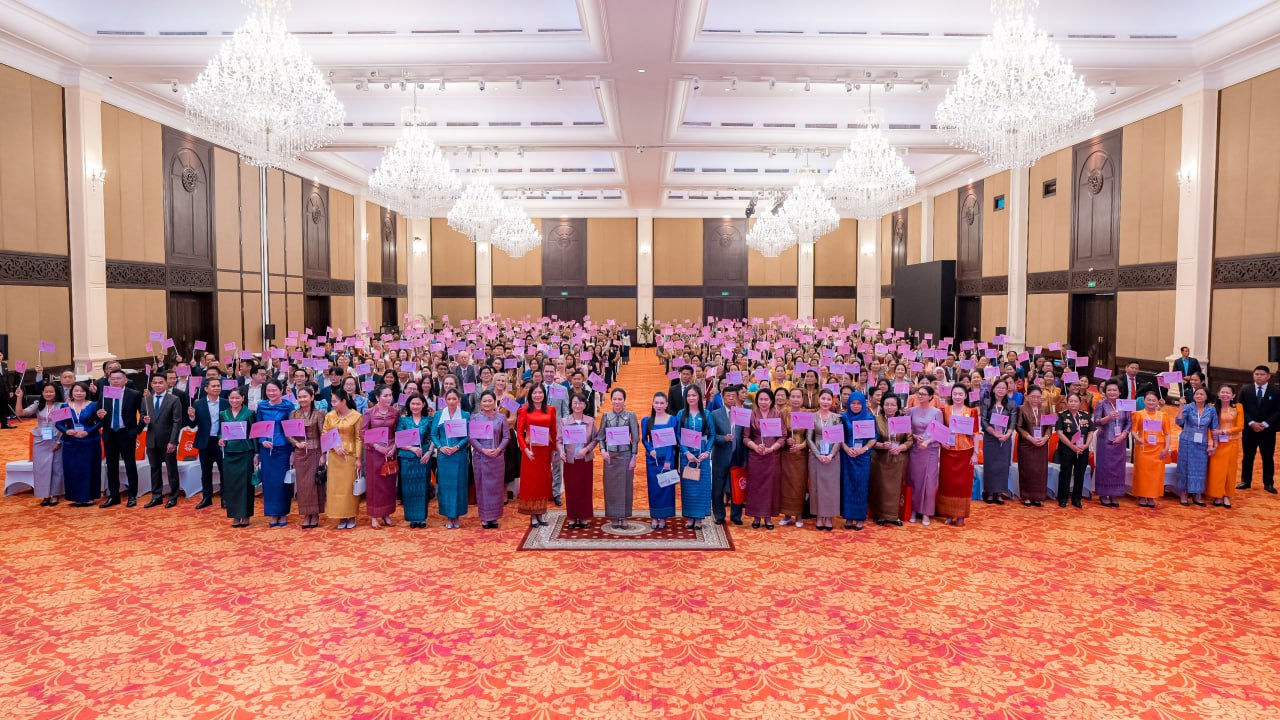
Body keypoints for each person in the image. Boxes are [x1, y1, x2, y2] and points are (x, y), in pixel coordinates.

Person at [98, 368, 143, 508]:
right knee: (111, 466)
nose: (115, 381)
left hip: (126, 433)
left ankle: (132, 495)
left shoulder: (134, 394)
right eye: (112, 379)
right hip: (110, 433)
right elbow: (98, 413)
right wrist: (99, 415)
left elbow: (143, 412)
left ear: (125, 380)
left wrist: (137, 430)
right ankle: (114, 496)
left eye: (118, 378)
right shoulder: (104, 394)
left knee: (130, 465)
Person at [14, 383, 64, 505]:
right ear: (42, 393)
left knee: (56, 468)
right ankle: (44, 494)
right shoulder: (38, 404)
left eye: (51, 391)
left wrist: (59, 441)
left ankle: (55, 494)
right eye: (46, 391)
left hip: (56, 439)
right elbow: (20, 413)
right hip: (40, 440)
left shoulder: (62, 405)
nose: (48, 394)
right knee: (41, 469)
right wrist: (19, 397)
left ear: (56, 393)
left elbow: (65, 425)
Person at [254, 380, 296, 526]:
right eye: (268, 390)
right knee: (269, 483)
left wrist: (293, 451)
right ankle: (272, 513)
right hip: (266, 449)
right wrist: (262, 441)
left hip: (283, 448)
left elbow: (291, 429)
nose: (271, 393)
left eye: (274, 390)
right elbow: (258, 427)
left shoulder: (288, 406)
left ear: (281, 390)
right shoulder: (262, 406)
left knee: (282, 482)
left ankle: (283, 513)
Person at [598, 388, 640, 530]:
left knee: (626, 486)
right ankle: (614, 516)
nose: (617, 402)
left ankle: (624, 516)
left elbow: (635, 439)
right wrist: (603, 450)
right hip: (610, 457)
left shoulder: (630, 416)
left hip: (625, 456)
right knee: (611, 487)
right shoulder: (606, 416)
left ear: (624, 400)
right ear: (611, 400)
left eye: (620, 399)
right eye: (614, 399)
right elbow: (600, 437)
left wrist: (634, 457)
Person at [470, 390, 511, 530]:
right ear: (481, 403)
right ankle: (485, 518)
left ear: (495, 403)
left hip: (497, 457)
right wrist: (483, 450)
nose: (487, 403)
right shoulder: (475, 418)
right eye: (484, 401)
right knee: (482, 487)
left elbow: (506, 437)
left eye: (490, 401)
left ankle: (494, 517)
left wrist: (499, 449)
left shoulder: (501, 418)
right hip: (481, 457)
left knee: (496, 488)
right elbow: (472, 438)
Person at [516, 384, 556, 528]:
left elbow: (554, 432)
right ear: (530, 395)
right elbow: (519, 434)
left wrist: (555, 451)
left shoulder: (551, 410)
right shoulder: (524, 411)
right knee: (531, 483)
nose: (537, 395)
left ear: (544, 395)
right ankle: (533, 515)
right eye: (535, 393)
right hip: (530, 453)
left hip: (545, 452)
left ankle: (540, 512)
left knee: (542, 482)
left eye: (540, 392)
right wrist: (525, 450)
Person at [322, 390, 363, 530]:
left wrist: (358, 458)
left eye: (335, 401)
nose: (332, 404)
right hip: (334, 456)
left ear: (343, 401)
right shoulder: (329, 416)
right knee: (335, 488)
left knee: (349, 488)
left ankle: (351, 515)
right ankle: (340, 516)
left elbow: (358, 438)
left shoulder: (356, 416)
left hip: (349, 456)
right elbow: (325, 434)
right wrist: (334, 446)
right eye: (332, 401)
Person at [142, 372, 184, 508]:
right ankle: (156, 496)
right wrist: (144, 421)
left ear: (166, 383)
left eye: (160, 382)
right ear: (151, 384)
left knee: (171, 470)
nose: (157, 385)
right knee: (154, 469)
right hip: (151, 440)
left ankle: (173, 496)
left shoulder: (174, 399)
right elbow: (143, 417)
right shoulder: (146, 399)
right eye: (155, 383)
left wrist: (173, 441)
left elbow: (177, 422)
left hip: (168, 441)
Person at [745, 388, 785, 529]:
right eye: (761, 399)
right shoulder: (752, 414)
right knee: (756, 487)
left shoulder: (777, 414)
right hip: (756, 456)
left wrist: (772, 448)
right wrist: (755, 447)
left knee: (770, 488)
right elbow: (745, 437)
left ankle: (768, 517)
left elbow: (783, 437)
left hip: (772, 456)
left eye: (766, 399)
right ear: (757, 401)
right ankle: (756, 517)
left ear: (771, 400)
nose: (763, 402)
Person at [288, 385, 327, 529]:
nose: (302, 399)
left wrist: (323, 454)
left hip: (315, 451)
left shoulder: (320, 413)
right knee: (303, 485)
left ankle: (315, 514)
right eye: (300, 397)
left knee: (314, 484)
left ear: (312, 397)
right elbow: (289, 434)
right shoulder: (294, 413)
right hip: (300, 453)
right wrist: (297, 444)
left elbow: (324, 434)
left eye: (305, 396)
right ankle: (306, 514)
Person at [187, 376, 228, 510]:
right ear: (206, 389)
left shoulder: (226, 403)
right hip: (205, 441)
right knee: (206, 471)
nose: (216, 388)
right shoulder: (198, 404)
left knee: (224, 470)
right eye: (213, 386)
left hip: (221, 441)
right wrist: (191, 416)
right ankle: (207, 497)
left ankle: (225, 497)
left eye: (218, 386)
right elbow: (193, 425)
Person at [361, 385, 400, 528]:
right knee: (374, 484)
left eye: (390, 395)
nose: (389, 398)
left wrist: (394, 447)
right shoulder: (369, 412)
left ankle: (386, 513)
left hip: (390, 451)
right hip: (374, 452)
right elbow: (363, 432)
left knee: (389, 483)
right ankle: (374, 515)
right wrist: (377, 446)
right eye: (385, 395)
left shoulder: (395, 412)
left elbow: (398, 431)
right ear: (377, 397)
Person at [938, 385, 977, 525]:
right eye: (955, 394)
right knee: (947, 483)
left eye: (961, 394)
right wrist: (942, 442)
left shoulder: (971, 411)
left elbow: (975, 433)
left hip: (966, 451)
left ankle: (961, 515)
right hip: (948, 451)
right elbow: (940, 429)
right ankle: (949, 514)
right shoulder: (944, 410)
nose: (958, 396)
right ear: (951, 395)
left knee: (963, 485)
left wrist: (975, 453)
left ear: (965, 396)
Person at [870, 394, 912, 526]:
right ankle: (880, 515)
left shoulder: (903, 420)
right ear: (882, 406)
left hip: (898, 459)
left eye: (893, 405)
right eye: (887, 404)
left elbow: (909, 440)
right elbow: (870, 440)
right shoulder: (876, 420)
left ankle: (894, 516)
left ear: (898, 407)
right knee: (880, 487)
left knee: (896, 488)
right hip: (880, 459)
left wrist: (900, 448)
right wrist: (881, 445)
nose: (889, 407)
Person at [676, 385, 713, 529]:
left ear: (699, 397)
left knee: (701, 487)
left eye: (694, 395)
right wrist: (686, 452)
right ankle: (690, 517)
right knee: (688, 487)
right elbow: (678, 434)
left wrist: (707, 451)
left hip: (702, 455)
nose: (691, 398)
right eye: (688, 395)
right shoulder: (681, 414)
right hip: (686, 455)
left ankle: (699, 518)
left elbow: (712, 435)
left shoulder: (707, 414)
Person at [558, 393, 598, 529]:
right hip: (571, 460)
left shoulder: (590, 421)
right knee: (571, 488)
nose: (577, 405)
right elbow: (559, 440)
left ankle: (584, 516)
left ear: (585, 405)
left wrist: (586, 449)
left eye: (580, 403)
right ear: (571, 404)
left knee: (585, 488)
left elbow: (595, 439)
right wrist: (561, 451)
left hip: (585, 460)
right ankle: (572, 516)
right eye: (575, 402)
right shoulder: (564, 421)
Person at [218, 387, 256, 528]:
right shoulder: (223, 413)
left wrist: (256, 453)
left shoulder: (250, 413)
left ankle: (245, 515)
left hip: (245, 452)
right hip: (229, 453)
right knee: (231, 485)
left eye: (237, 398)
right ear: (228, 399)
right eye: (231, 398)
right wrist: (220, 439)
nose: (234, 400)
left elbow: (254, 434)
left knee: (245, 485)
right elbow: (220, 431)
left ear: (243, 398)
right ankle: (234, 515)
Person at [1238, 365, 1279, 493]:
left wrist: (1265, 424)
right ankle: (1245, 481)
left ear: (1268, 376)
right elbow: (1240, 408)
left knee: (1268, 456)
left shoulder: (1275, 391)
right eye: (1256, 374)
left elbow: (1278, 411)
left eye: (1262, 374)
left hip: (1267, 430)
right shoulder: (1245, 390)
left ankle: (1268, 483)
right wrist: (1251, 422)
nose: (1259, 376)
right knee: (1248, 456)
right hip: (1249, 429)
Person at [806, 389, 843, 531]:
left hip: (832, 456)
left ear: (832, 401)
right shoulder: (812, 417)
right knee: (816, 487)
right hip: (816, 456)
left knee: (830, 488)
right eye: (823, 398)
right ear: (819, 399)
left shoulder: (837, 417)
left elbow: (839, 439)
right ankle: (819, 516)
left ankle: (829, 517)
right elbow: (809, 438)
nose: (825, 402)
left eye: (828, 399)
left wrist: (831, 455)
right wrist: (818, 455)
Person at [906, 386, 944, 525]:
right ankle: (913, 510)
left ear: (930, 397)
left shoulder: (937, 412)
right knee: (914, 480)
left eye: (924, 394)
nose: (920, 396)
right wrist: (916, 437)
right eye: (919, 393)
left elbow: (939, 432)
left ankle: (927, 512)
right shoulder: (911, 411)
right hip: (915, 449)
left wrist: (927, 442)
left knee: (929, 482)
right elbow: (907, 430)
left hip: (930, 450)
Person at [1175, 386, 1218, 507]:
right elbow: (1179, 422)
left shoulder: (1211, 410)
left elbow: (1214, 427)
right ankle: (1183, 494)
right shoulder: (1188, 407)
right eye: (1196, 394)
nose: (1198, 396)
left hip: (1202, 443)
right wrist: (1181, 406)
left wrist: (1215, 444)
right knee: (1184, 466)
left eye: (1201, 394)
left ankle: (1197, 494)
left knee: (1200, 468)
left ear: (1206, 397)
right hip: (1187, 441)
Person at [641, 392, 679, 529]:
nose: (659, 405)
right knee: (654, 488)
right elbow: (644, 439)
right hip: (653, 460)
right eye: (656, 403)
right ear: (652, 404)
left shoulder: (673, 420)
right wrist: (650, 449)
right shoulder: (647, 420)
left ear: (666, 404)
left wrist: (668, 460)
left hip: (668, 459)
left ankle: (663, 517)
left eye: (662, 403)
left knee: (666, 488)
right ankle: (654, 516)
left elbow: (673, 442)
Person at [1131, 389, 1173, 508]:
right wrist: (1138, 439)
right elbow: (1133, 431)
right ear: (1144, 401)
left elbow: (1167, 433)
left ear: (1158, 402)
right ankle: (1142, 496)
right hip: (1143, 448)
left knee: (1155, 474)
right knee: (1142, 473)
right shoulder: (1138, 414)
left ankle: (1151, 496)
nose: (1151, 402)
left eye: (1153, 400)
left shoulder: (1163, 415)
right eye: (1148, 400)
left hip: (1158, 448)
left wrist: (1166, 448)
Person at [1092, 379, 1130, 508]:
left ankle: (1114, 494)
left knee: (1118, 468)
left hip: (1120, 441)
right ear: (1105, 392)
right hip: (1105, 441)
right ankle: (1103, 494)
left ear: (1120, 392)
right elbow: (1096, 422)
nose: (1112, 392)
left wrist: (1123, 435)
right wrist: (1108, 417)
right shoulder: (1101, 404)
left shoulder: (1124, 404)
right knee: (1105, 467)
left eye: (1114, 390)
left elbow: (1129, 423)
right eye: (1109, 390)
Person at [980, 378, 1017, 505]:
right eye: (998, 387)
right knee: (990, 465)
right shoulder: (986, 402)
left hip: (1005, 439)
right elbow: (983, 421)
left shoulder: (1011, 404)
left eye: (1004, 388)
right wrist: (994, 433)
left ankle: (1000, 493)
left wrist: (1008, 434)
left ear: (1007, 390)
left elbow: (1012, 422)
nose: (1001, 390)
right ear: (993, 389)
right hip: (991, 438)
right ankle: (990, 492)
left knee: (1003, 466)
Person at [1207, 385, 1245, 508]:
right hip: (1217, 443)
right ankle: (1217, 495)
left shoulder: (1238, 407)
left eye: (1228, 393)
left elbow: (1240, 427)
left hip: (1231, 442)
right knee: (1216, 470)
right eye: (1222, 392)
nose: (1225, 395)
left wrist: (1223, 432)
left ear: (1233, 395)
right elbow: (1208, 426)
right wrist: (1211, 442)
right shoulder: (1212, 408)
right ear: (1218, 394)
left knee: (1229, 470)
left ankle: (1227, 495)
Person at [1054, 393, 1093, 509]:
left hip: (1082, 450)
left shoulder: (1085, 416)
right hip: (1067, 449)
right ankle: (1063, 498)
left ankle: (1077, 499)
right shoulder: (1061, 415)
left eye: (1076, 401)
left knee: (1080, 474)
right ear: (1066, 403)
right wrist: (1071, 446)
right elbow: (1059, 432)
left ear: (1080, 403)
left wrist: (1086, 445)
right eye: (1070, 401)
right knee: (1065, 473)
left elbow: (1091, 431)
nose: (1073, 403)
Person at [1016, 385, 1052, 508]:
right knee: (1027, 470)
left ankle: (1038, 497)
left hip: (1041, 444)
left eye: (1038, 397)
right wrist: (1030, 438)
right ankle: (1026, 496)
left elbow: (1049, 427)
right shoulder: (1021, 409)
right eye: (1033, 397)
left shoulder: (1045, 409)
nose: (1035, 399)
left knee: (1040, 471)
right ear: (1027, 396)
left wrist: (1045, 438)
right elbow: (1018, 427)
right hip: (1026, 444)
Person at [779, 387, 809, 528]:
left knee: (799, 485)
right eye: (793, 396)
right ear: (789, 398)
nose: (795, 399)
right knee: (786, 485)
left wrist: (802, 445)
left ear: (802, 399)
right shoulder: (783, 413)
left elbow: (811, 436)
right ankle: (787, 515)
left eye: (798, 397)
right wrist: (786, 440)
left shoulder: (806, 414)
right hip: (786, 454)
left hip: (801, 455)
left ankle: (799, 515)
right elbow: (779, 433)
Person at [709, 385, 736, 526]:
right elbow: (711, 435)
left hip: (737, 455)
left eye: (733, 396)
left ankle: (736, 516)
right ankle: (719, 515)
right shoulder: (715, 414)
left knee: (737, 487)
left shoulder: (743, 413)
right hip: (721, 454)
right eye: (728, 396)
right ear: (722, 397)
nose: (731, 398)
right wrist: (723, 438)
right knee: (718, 487)